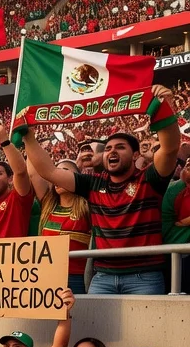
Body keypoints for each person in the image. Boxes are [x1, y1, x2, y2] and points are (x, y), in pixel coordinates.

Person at [23, 92, 181, 294]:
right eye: (108, 148)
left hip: (144, 277)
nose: (112, 151)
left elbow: (170, 148)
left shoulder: (149, 179)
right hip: (103, 278)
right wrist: (28, 137)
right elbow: (49, 172)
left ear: (135, 155)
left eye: (120, 147)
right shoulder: (93, 184)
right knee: (93, 327)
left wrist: (161, 108)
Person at [36, 158, 92, 295]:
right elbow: (34, 173)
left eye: (64, 172)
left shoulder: (88, 207)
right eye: (55, 174)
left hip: (76, 278)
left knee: (76, 316)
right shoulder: (47, 204)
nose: (58, 177)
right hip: (46, 277)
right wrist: (26, 138)